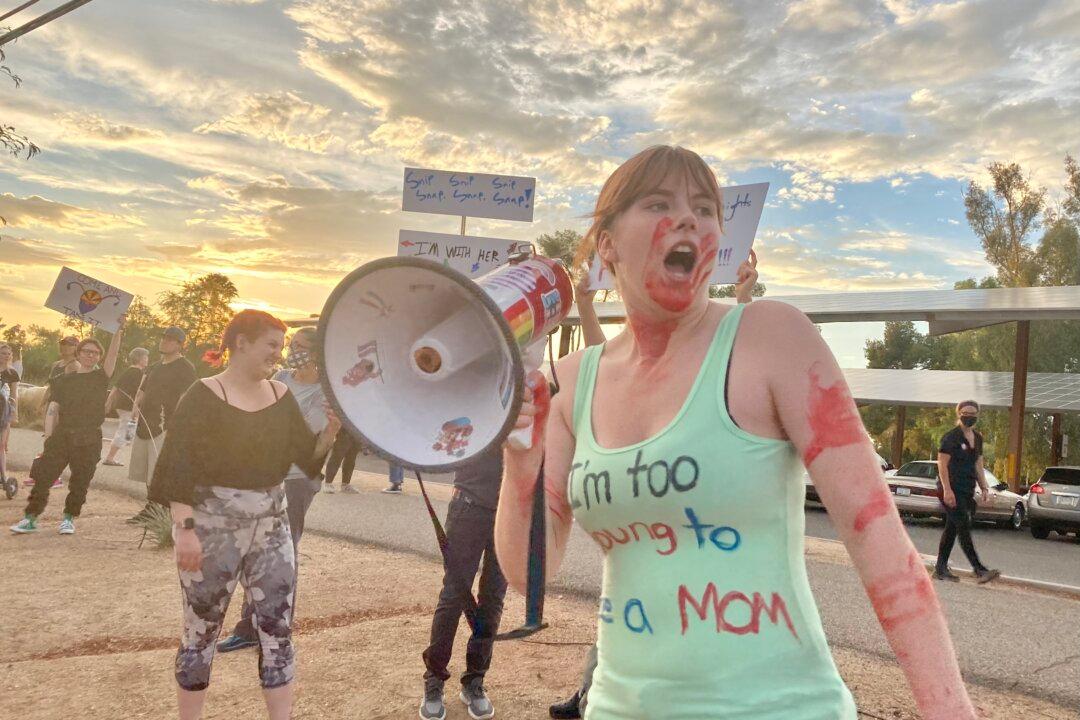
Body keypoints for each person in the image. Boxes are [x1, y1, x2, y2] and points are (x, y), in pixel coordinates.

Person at [495, 146, 979, 720]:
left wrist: (951, 711)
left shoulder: (773, 339)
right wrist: (520, 461)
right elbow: (530, 576)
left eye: (705, 208)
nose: (690, 219)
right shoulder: (573, 381)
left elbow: (881, 547)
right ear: (606, 242)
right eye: (658, 203)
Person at [549, 252, 760, 720]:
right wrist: (585, 305)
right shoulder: (636, 373)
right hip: (645, 519)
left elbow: (734, 357)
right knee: (623, 619)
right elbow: (602, 365)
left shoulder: (713, 375)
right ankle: (588, 697)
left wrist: (742, 298)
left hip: (698, 532)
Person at [149, 310, 339, 720]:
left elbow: (306, 460)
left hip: (272, 526)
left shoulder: (281, 396)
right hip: (212, 528)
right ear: (242, 343)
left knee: (278, 628)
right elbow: (175, 468)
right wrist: (184, 531)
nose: (279, 353)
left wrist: (330, 432)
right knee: (201, 630)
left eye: (282, 346)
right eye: (272, 344)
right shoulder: (201, 394)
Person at [216, 327, 332, 653]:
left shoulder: (327, 392)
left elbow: (312, 435)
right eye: (290, 345)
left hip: (297, 479)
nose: (291, 350)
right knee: (254, 553)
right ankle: (248, 627)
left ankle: (276, 629)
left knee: (284, 555)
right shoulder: (280, 377)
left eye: (300, 346)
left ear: (316, 352)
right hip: (264, 474)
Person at [11, 322, 125, 535]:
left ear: (99, 357)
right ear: (78, 354)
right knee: (44, 477)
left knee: (80, 479)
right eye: (86, 351)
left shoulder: (100, 378)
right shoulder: (64, 381)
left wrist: (117, 331)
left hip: (89, 436)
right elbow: (54, 408)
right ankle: (30, 518)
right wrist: (49, 436)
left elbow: (113, 355)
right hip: (63, 434)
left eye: (95, 353)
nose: (90, 356)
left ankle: (69, 518)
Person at [419, 448, 507, 720]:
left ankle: (474, 680)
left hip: (510, 512)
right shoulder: (479, 404)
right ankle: (434, 680)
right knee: (453, 597)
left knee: (492, 600)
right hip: (468, 505)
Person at [128, 327, 197, 520]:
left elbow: (187, 395)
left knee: (158, 468)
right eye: (164, 338)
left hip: (166, 423)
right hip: (145, 422)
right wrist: (135, 407)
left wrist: (180, 422)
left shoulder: (185, 367)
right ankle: (151, 508)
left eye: (170, 339)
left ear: (180, 344)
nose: (164, 341)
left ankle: (158, 510)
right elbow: (142, 390)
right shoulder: (155, 367)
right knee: (147, 466)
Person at [934, 401, 1000, 584]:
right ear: (959, 414)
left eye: (973, 413)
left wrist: (984, 486)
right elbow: (942, 465)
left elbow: (978, 464)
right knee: (963, 526)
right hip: (950, 489)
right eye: (965, 412)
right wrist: (947, 490)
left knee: (952, 528)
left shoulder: (977, 438)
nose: (969, 416)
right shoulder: (951, 438)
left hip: (966, 489)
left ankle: (940, 568)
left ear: (977, 415)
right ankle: (979, 569)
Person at [102, 347, 150, 466]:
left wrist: (109, 402)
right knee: (125, 430)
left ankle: (123, 445)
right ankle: (110, 457)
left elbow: (116, 387)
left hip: (123, 405)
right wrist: (136, 408)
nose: (147, 359)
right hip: (129, 406)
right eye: (145, 357)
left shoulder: (130, 371)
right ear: (139, 359)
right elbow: (139, 392)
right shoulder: (137, 373)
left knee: (128, 430)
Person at [0, 343, 20, 487]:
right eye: (3, 353)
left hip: (3, 410)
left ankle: (4, 475)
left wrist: (14, 413)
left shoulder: (12, 373)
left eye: (8, 353)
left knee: (1, 444)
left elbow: (14, 394)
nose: (6, 356)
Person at [322, 429, 360, 493]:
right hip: (344, 430)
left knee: (351, 459)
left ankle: (345, 485)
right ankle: (328, 484)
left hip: (357, 432)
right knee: (337, 457)